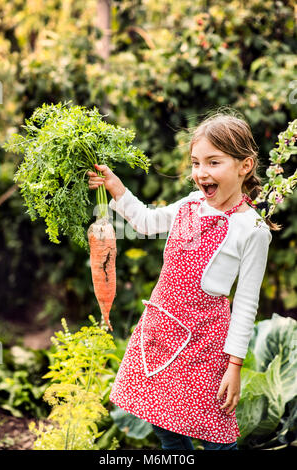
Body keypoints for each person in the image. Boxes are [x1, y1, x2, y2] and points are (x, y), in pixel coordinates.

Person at [87, 111, 278, 451]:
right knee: (161, 420)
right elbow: (145, 222)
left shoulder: (252, 229)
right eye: (195, 163)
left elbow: (247, 303)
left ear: (244, 165)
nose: (201, 173)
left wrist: (234, 366)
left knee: (215, 434)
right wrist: (116, 187)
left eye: (213, 162)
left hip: (207, 345)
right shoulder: (190, 205)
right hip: (163, 329)